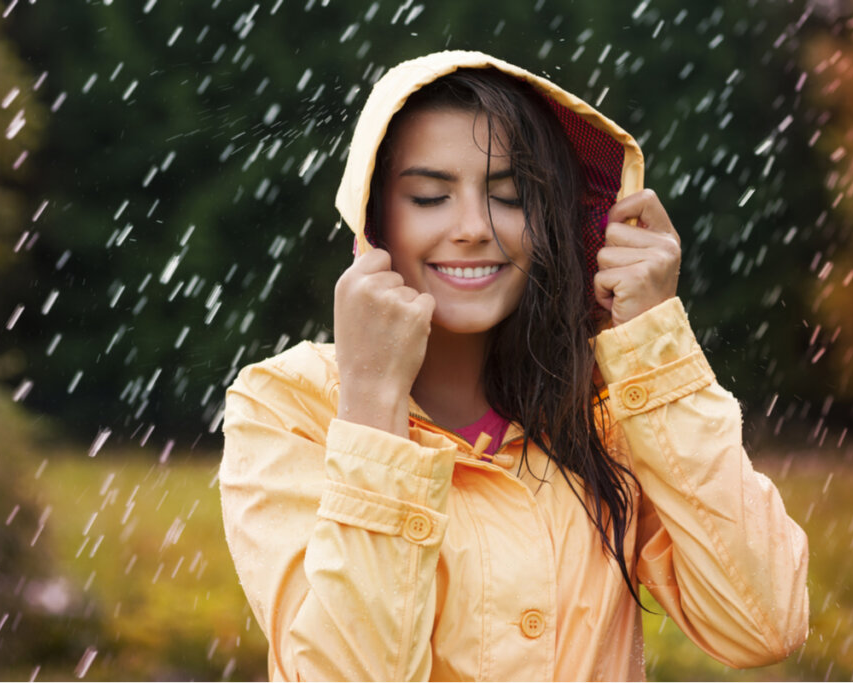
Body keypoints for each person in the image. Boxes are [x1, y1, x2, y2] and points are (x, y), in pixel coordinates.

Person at [220, 51, 809, 681]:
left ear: (553, 218)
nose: (473, 228)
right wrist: (369, 401)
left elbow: (764, 622)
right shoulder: (286, 405)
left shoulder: (607, 410)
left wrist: (654, 343)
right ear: (373, 220)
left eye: (511, 195)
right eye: (429, 196)